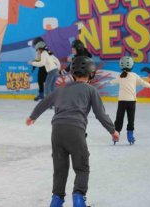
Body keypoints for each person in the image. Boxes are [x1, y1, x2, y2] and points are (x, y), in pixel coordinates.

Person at [26, 56, 120, 207]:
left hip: (57, 131)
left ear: (72, 73)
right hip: (75, 131)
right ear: (91, 74)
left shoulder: (61, 89)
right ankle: (78, 199)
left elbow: (44, 102)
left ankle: (56, 200)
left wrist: (32, 116)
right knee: (82, 167)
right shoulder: (91, 90)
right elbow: (100, 114)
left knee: (60, 168)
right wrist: (112, 130)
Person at [110, 56, 150, 145]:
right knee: (131, 119)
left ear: (121, 66)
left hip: (122, 101)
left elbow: (112, 82)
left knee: (119, 119)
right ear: (132, 66)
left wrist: (110, 81)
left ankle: (116, 135)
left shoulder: (120, 76)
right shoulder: (135, 76)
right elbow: (144, 83)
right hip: (131, 102)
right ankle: (130, 135)